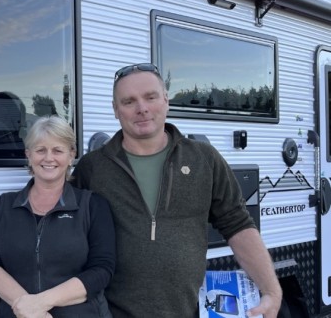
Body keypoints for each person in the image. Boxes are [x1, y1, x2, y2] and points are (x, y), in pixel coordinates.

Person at [72, 63, 282, 318]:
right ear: (116, 110)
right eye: (129, 101)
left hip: (187, 311)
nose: (142, 108)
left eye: (151, 97)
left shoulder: (203, 158)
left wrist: (271, 290)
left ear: (166, 100)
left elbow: (237, 224)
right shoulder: (92, 167)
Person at [0, 115, 115, 318]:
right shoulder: (3, 206)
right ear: (29, 155)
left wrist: (40, 304)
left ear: (71, 155)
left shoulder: (93, 205)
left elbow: (102, 269)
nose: (48, 158)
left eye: (57, 150)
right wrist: (26, 308)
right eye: (40, 150)